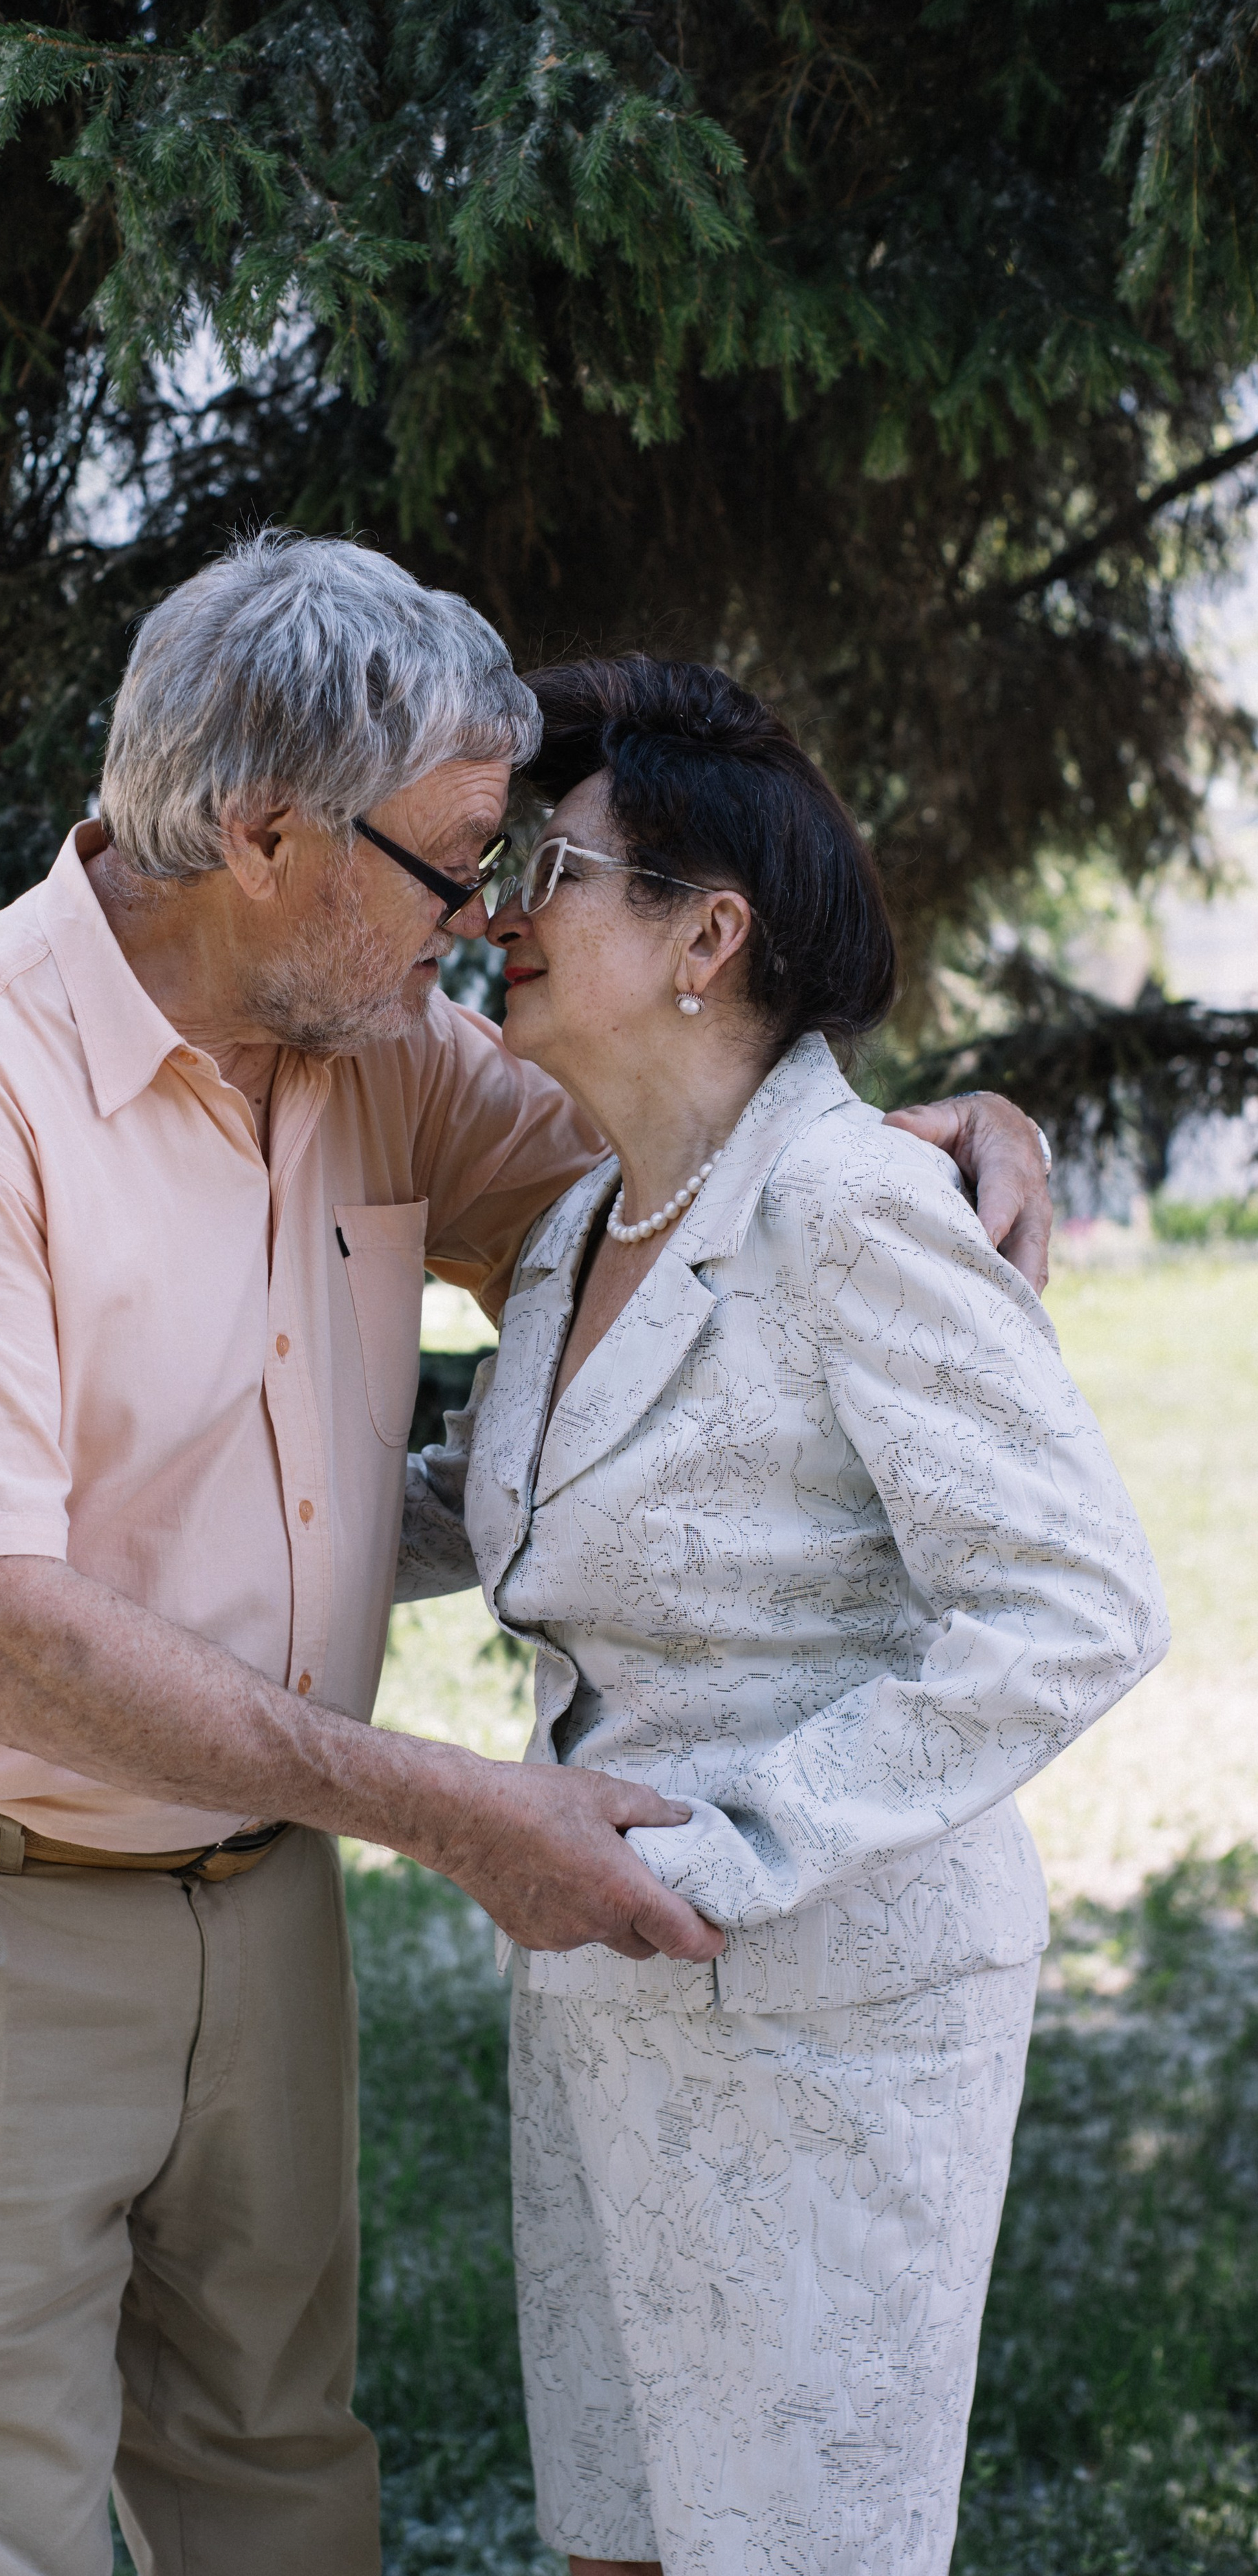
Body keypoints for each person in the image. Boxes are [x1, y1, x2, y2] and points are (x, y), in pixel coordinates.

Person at [0, 535, 1054, 2576]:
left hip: (260, 1897)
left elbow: (693, 1215)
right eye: (452, 865)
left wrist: (925, 1137)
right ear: (264, 834)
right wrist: (459, 1812)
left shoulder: (382, 1057)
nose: (485, 919)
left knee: (277, 2493)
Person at [407, 654, 1166, 2576]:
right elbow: (515, 1496)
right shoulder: (590, 1222)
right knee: (619, 2546)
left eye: (550, 868)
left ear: (706, 934)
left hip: (832, 2012)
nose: (496, 910)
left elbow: (1073, 1603)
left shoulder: (855, 1208)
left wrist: (735, 1853)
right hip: (602, 2004)